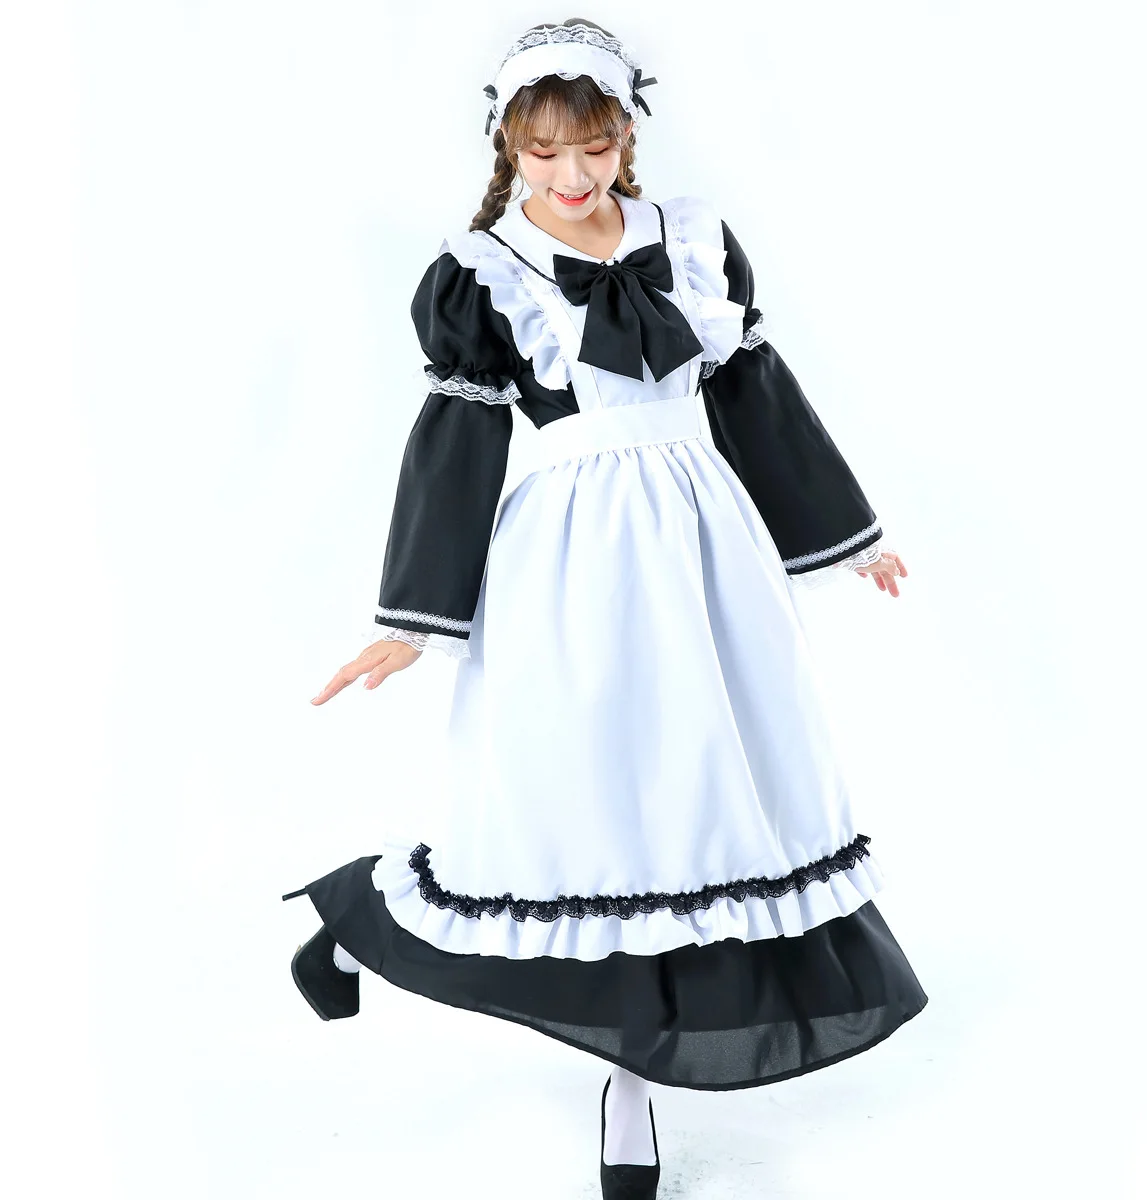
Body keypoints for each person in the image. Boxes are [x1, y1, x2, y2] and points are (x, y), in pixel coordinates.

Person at [283, 17, 927, 1198]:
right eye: (543, 152)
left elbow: (752, 394)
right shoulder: (484, 271)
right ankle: (355, 923)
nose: (572, 174)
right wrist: (412, 619)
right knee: (571, 813)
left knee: (699, 805)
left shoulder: (695, 242)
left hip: (705, 545)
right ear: (508, 149)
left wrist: (850, 536)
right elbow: (458, 444)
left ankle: (630, 1085)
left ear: (628, 134)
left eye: (594, 145)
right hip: (572, 560)